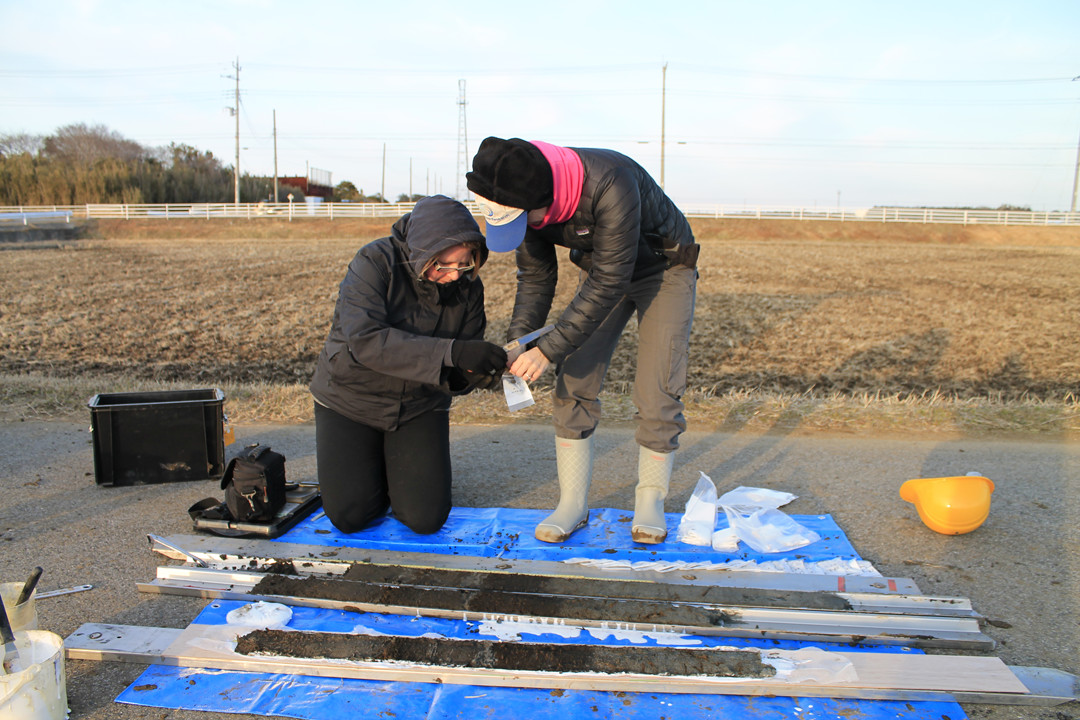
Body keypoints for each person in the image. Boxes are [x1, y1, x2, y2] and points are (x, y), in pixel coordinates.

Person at [467, 137, 699, 545]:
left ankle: (650, 500)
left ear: (543, 199)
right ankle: (572, 502)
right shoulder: (525, 195)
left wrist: (549, 348)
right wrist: (520, 342)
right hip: (602, 272)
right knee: (573, 380)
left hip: (664, 269)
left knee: (657, 388)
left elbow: (613, 280)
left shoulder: (610, 182)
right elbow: (536, 278)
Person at [309, 195, 507, 535]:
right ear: (422, 251)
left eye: (463, 264)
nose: (452, 276)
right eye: (442, 265)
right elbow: (366, 341)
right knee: (349, 516)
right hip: (351, 399)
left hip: (418, 404)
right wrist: (453, 352)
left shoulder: (469, 288)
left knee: (425, 519)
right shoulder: (374, 262)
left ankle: (396, 469)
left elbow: (458, 364)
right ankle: (376, 469)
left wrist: (482, 372)